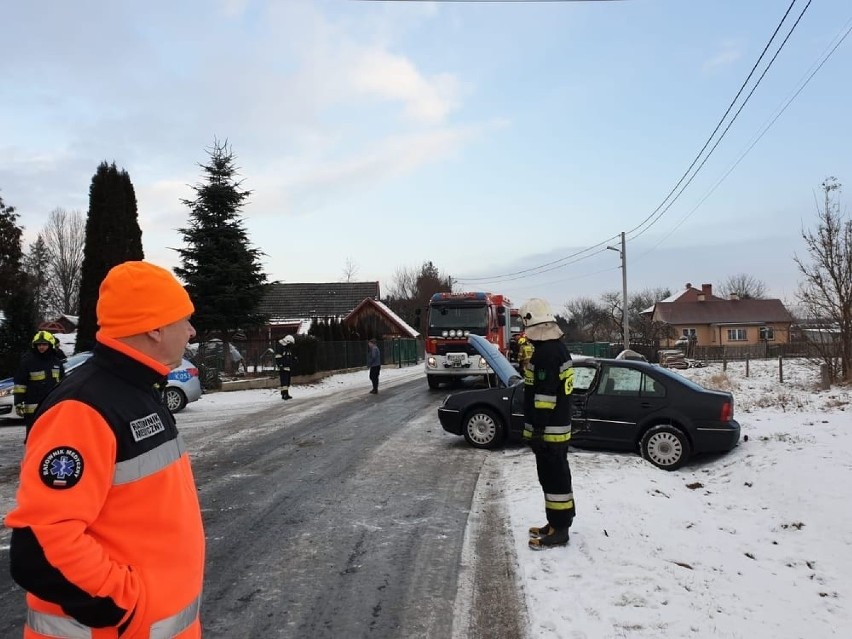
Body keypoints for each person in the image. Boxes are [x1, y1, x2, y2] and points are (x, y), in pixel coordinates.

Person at [5, 261, 205, 639]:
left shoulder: (138, 391)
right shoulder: (83, 407)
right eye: (185, 319)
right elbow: (41, 545)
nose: (192, 331)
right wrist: (125, 605)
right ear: (154, 327)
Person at [519, 298, 576, 550]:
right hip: (558, 428)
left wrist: (538, 430)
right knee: (556, 478)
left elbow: (544, 397)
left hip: (550, 432)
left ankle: (560, 530)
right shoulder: (560, 349)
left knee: (554, 480)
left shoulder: (546, 354)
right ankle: (555, 523)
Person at [13, 330, 66, 440]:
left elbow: (62, 384)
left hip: (52, 406)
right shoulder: (28, 362)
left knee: (52, 436)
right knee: (33, 437)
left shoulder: (57, 362)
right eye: (39, 345)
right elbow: (20, 383)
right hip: (33, 410)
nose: (41, 347)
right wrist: (18, 402)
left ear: (50, 345)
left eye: (44, 344)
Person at [275, 334, 296, 400]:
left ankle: (285, 393)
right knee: (284, 382)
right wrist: (280, 365)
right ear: (287, 341)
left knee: (287, 382)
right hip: (283, 368)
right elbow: (278, 357)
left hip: (287, 367)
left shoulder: (287, 348)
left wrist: (294, 359)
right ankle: (284, 394)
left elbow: (289, 357)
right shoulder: (280, 347)